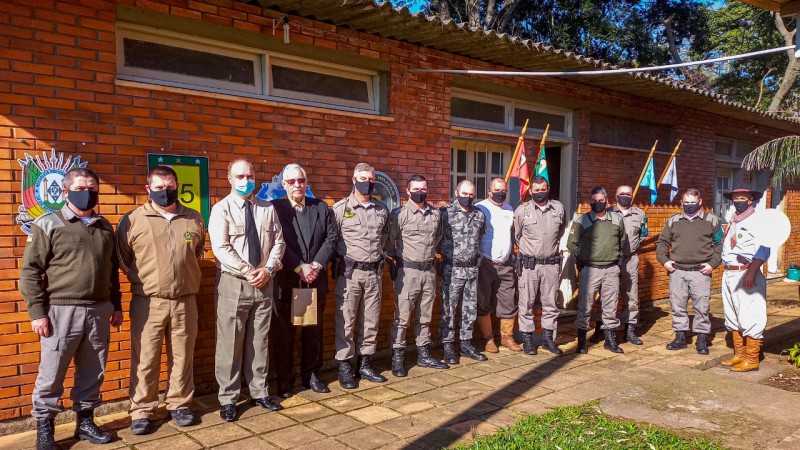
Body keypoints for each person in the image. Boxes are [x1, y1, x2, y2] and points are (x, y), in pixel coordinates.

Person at [21, 168, 123, 449]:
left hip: (99, 311)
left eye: (92, 187)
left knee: (93, 370)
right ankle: (45, 429)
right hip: (60, 312)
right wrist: (37, 313)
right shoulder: (48, 224)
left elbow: (112, 271)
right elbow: (30, 272)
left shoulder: (104, 226)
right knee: (51, 374)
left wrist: (116, 305)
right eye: (80, 187)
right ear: (65, 192)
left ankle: (85, 422)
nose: (87, 192)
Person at [116, 165, 205, 434]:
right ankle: (142, 409)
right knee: (146, 357)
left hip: (185, 300)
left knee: (183, 356)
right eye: (158, 188)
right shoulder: (133, 220)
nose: (165, 192)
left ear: (177, 186)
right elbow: (123, 259)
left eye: (169, 187)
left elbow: (197, 253)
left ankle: (178, 404)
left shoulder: (194, 218)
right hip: (148, 301)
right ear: (148, 189)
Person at [209, 159, 285, 422]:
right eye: (240, 176)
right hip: (234, 283)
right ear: (229, 179)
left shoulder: (267, 208)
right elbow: (220, 247)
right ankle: (228, 397)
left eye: (250, 175)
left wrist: (269, 270)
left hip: (264, 282)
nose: (246, 181)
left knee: (259, 341)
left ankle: (259, 391)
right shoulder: (222, 209)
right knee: (231, 342)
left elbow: (279, 242)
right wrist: (248, 270)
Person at [272, 164, 337, 396]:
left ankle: (311, 375)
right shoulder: (274, 209)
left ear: (306, 182)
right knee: (284, 335)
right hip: (288, 282)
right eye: (292, 182)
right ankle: (285, 380)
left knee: (312, 332)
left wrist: (316, 265)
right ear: (283, 185)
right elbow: (276, 241)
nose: (297, 185)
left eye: (301, 181)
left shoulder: (320, 207)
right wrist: (299, 267)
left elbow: (331, 238)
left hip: (313, 281)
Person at [332, 163, 390, 388]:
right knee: (346, 321)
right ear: (354, 180)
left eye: (371, 178)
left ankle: (365, 364)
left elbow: (384, 237)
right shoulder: (340, 208)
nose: (367, 182)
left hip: (374, 274)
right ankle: (345, 366)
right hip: (350, 274)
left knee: (371, 320)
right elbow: (332, 238)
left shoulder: (381, 210)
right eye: (363, 177)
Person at [386, 174, 446, 376]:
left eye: (424, 188)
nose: (420, 192)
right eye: (416, 189)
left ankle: (423, 354)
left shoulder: (435, 215)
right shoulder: (399, 214)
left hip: (428, 271)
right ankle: (397, 357)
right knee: (402, 318)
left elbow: (437, 238)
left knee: (425, 316)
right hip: (408, 272)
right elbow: (389, 243)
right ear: (408, 191)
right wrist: (398, 261)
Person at [656, 188, 722, 355]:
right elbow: (662, 242)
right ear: (681, 203)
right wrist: (665, 261)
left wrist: (712, 264)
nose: (689, 205)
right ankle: (680, 337)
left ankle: (701, 339)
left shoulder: (712, 220)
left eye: (693, 203)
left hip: (701, 271)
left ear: (700, 202)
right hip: (677, 271)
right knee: (678, 306)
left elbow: (720, 245)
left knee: (701, 307)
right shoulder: (673, 221)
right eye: (686, 202)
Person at [568, 186, 626, 354]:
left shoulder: (617, 219)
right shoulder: (582, 221)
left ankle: (610, 340)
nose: (598, 203)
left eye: (601, 201)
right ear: (590, 202)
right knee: (584, 306)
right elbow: (572, 244)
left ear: (607, 201)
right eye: (594, 201)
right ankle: (581, 342)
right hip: (590, 269)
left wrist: (617, 257)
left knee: (610, 305)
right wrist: (582, 258)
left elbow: (622, 240)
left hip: (611, 269)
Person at [513, 176, 567, 356]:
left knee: (550, 303)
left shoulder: (558, 208)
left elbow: (560, 231)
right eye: (536, 190)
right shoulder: (522, 210)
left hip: (550, 265)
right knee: (526, 303)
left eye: (543, 189)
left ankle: (548, 339)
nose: (539, 192)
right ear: (530, 191)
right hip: (529, 265)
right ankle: (527, 339)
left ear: (548, 188)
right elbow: (517, 235)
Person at [719, 187, 769, 372]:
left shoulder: (758, 221)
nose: (738, 200)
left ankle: (752, 358)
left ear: (750, 200)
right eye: (735, 197)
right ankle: (739, 354)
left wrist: (751, 272)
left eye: (742, 198)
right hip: (730, 272)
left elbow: (764, 249)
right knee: (732, 314)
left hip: (747, 272)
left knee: (751, 314)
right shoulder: (733, 219)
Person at [438, 180, 488, 364]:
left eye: (471, 194)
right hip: (452, 269)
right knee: (448, 309)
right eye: (464, 193)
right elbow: (436, 238)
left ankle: (466, 344)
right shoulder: (444, 214)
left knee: (470, 309)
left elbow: (480, 237)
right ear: (456, 191)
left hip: (472, 269)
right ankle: (448, 346)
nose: (467, 197)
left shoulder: (479, 215)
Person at [475, 178, 521, 353]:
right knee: (483, 301)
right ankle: (488, 339)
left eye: (503, 190)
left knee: (508, 301)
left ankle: (507, 337)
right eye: (497, 190)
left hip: (505, 264)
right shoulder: (480, 208)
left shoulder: (509, 209)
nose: (500, 193)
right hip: (485, 263)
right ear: (489, 191)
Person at [606, 184, 647, 345]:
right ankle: (603, 330)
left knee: (631, 295)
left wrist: (632, 247)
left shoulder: (640, 214)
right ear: (616, 196)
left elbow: (643, 234)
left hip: (630, 260)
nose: (625, 196)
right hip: (610, 260)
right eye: (622, 193)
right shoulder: (607, 213)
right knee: (607, 296)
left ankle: (629, 330)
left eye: (628, 194)